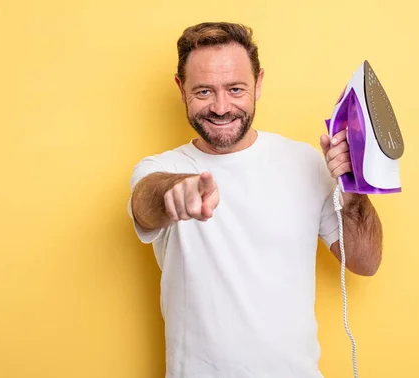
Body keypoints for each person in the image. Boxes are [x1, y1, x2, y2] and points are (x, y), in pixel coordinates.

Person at [127, 22, 383, 378]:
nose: (220, 107)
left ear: (259, 83)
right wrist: (176, 193)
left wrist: (354, 190)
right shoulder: (162, 168)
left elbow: (365, 263)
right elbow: (145, 201)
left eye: (235, 89)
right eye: (203, 92)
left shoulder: (306, 162)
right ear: (180, 88)